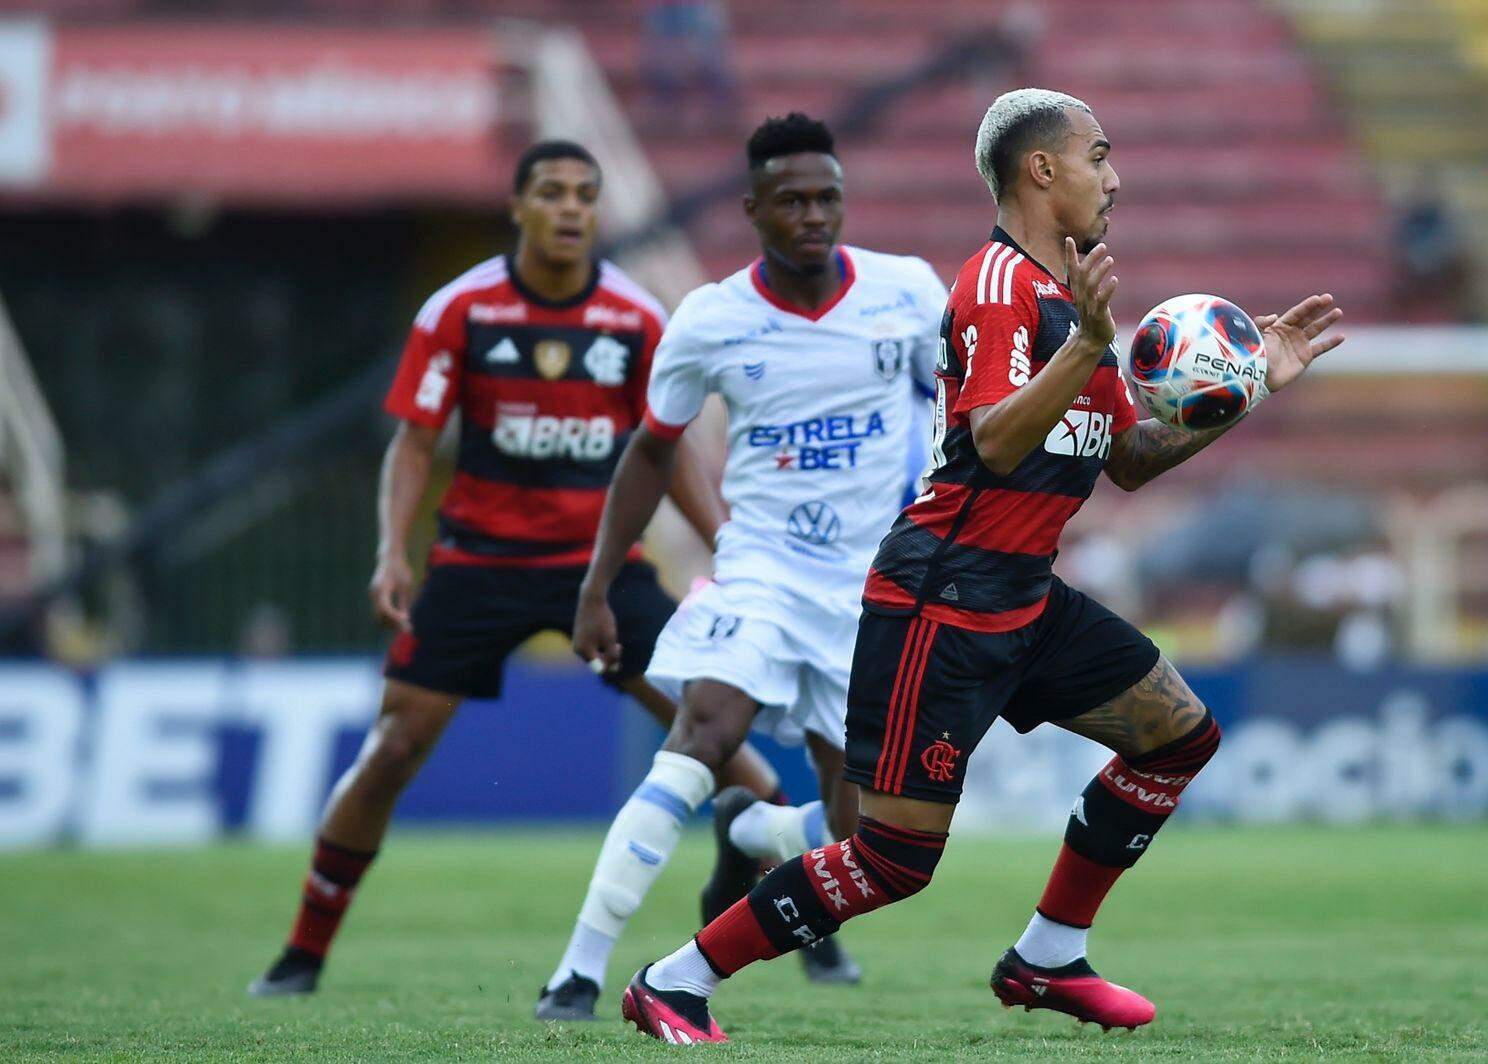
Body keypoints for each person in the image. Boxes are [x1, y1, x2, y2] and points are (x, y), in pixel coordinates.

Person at [621, 88, 1347, 1044]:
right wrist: (1089, 346)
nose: (1115, 178)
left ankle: (1047, 953)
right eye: (1099, 156)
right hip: (941, 595)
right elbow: (996, 444)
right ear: (1041, 169)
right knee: (893, 859)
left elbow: (1124, 461)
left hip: (1024, 593)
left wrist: (1238, 392)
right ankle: (674, 980)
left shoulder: (1070, 298)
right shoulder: (1000, 285)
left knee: (1177, 736)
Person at [247, 139, 780, 997]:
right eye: (553, 193)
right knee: (392, 748)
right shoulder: (461, 310)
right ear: (519, 208)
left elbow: (665, 447)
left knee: (727, 748)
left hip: (598, 572)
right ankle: (302, 952)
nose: (572, 208)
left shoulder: (637, 318)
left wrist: (723, 540)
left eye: (585, 194)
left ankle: (778, 911)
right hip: (477, 564)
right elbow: (415, 441)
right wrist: (393, 548)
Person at [539, 113, 947, 1019]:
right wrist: (597, 586)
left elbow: (956, 406)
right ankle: (578, 967)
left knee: (863, 834)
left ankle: (753, 826)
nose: (813, 215)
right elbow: (653, 449)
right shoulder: (712, 318)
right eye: (792, 200)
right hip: (762, 565)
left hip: (870, 588)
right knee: (703, 732)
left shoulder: (909, 293)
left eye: (827, 198)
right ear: (754, 207)